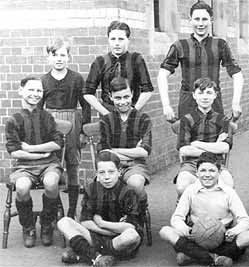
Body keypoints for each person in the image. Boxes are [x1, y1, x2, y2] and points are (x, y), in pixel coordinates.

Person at [159, 152, 249, 267]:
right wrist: (186, 230)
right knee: (165, 231)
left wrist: (233, 232)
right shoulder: (190, 190)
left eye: (212, 171)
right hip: (196, 237)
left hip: (223, 237)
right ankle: (215, 258)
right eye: (203, 170)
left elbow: (246, 220)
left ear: (219, 172)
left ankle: (195, 256)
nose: (207, 175)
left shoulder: (228, 192)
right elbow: (176, 218)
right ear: (197, 172)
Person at [158, 0, 243, 121]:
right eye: (197, 19)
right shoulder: (180, 46)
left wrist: (235, 103)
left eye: (204, 19)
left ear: (211, 21)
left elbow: (237, 74)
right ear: (190, 20)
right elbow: (162, 75)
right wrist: (166, 106)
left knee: (217, 138)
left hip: (213, 102)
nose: (200, 23)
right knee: (187, 138)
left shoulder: (220, 45)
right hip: (188, 103)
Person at [5, 77, 64, 247]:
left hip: (49, 163)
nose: (35, 94)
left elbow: (57, 143)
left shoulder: (47, 117)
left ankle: (47, 223)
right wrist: (40, 155)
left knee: (51, 183)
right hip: (24, 166)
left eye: (39, 91)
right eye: (31, 90)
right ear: (21, 91)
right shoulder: (13, 120)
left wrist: (30, 149)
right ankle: (28, 226)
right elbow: (14, 150)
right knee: (22, 187)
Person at [57, 151, 142, 267]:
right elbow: (86, 222)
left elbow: (130, 226)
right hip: (96, 237)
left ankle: (85, 254)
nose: (106, 177)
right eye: (102, 172)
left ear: (119, 172)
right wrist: (114, 228)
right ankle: (98, 257)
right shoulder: (91, 189)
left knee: (131, 235)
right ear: (97, 173)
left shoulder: (128, 192)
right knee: (63, 222)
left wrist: (102, 223)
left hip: (118, 240)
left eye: (111, 172)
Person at [39, 37, 91, 219]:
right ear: (49, 57)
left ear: (68, 57)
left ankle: (71, 211)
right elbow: (39, 109)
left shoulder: (76, 78)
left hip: (73, 121)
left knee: (72, 164)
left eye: (63, 55)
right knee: (53, 165)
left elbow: (85, 105)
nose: (59, 59)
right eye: (55, 55)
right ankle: (54, 211)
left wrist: (83, 131)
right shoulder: (44, 80)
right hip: (52, 123)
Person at [97, 76, 152, 223]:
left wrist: (114, 150)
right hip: (111, 166)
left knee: (135, 182)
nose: (123, 102)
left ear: (133, 93)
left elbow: (144, 152)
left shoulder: (143, 119)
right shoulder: (106, 120)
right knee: (100, 183)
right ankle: (111, 217)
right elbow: (103, 152)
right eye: (118, 98)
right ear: (110, 97)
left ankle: (138, 210)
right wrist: (133, 151)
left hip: (136, 165)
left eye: (126, 96)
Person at [175, 77, 234, 198]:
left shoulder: (223, 120)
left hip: (216, 164)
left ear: (215, 95)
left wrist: (196, 144)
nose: (205, 97)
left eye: (209, 93)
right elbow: (184, 149)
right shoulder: (187, 119)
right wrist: (213, 148)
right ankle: (184, 212)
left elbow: (224, 148)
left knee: (228, 185)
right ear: (194, 95)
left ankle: (222, 213)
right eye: (200, 93)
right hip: (191, 164)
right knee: (182, 186)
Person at [83, 21, 153, 116]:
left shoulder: (136, 60)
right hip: (108, 112)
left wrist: (133, 111)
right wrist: (106, 113)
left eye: (121, 39)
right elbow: (88, 93)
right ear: (108, 40)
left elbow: (147, 90)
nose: (116, 43)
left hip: (132, 112)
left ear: (128, 40)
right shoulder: (100, 62)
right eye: (113, 39)